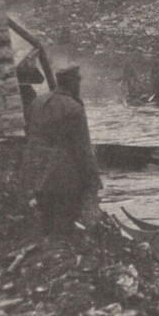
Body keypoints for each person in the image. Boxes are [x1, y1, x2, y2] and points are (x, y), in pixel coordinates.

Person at [22, 65, 102, 235]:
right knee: (66, 223)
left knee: (47, 221)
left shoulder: (38, 102)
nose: (79, 85)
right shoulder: (73, 107)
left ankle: (50, 242)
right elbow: (83, 148)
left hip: (38, 175)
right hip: (64, 178)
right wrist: (93, 181)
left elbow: (29, 136)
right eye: (78, 81)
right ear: (71, 83)